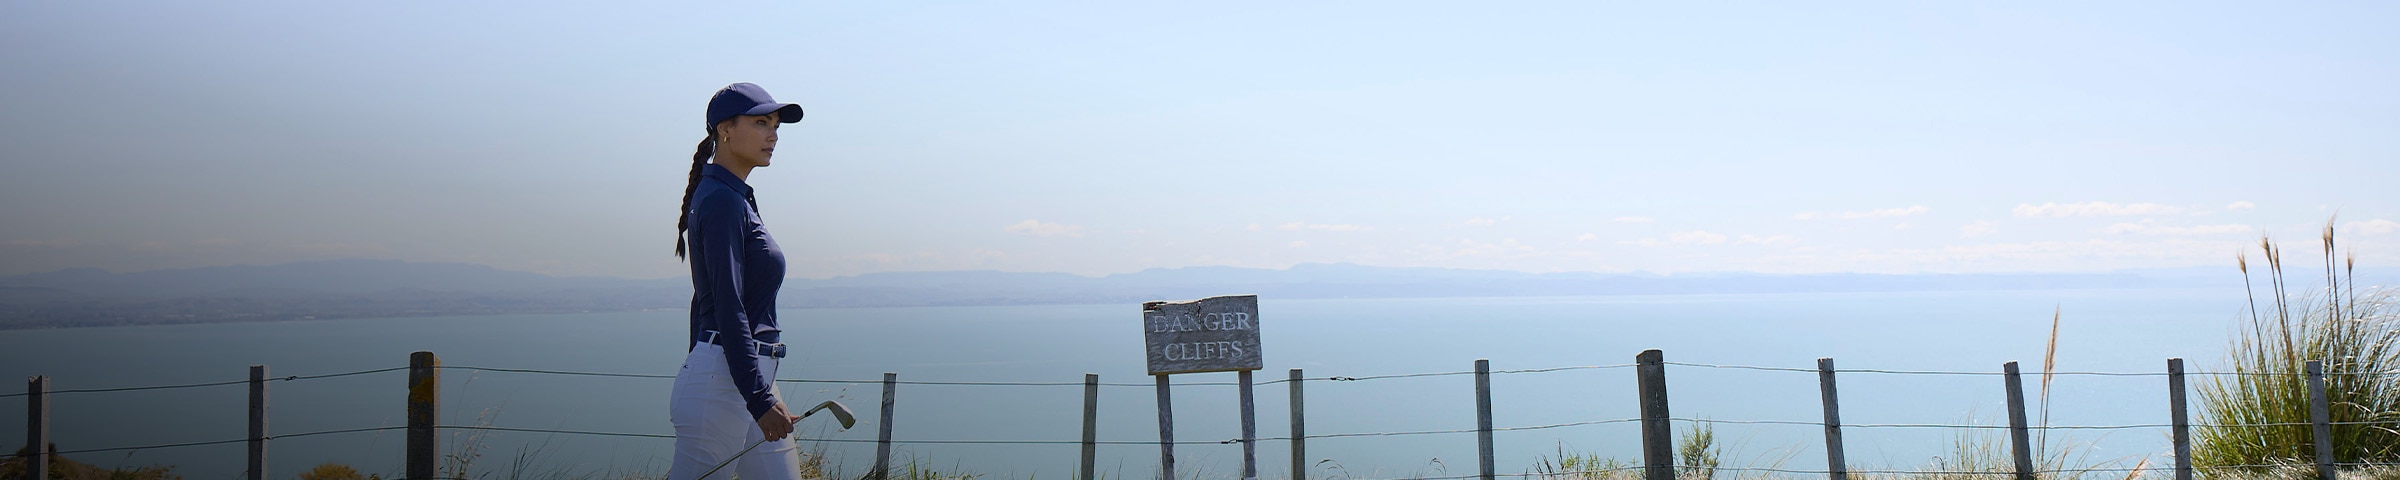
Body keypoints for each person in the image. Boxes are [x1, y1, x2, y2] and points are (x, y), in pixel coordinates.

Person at [669, 82, 807, 480]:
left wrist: (759, 391)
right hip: (728, 383)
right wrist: (759, 398)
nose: (773, 135)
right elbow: (728, 306)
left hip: (741, 378)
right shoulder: (722, 200)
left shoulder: (733, 196)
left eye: (776, 125)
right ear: (725, 130)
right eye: (762, 122)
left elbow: (706, 303)